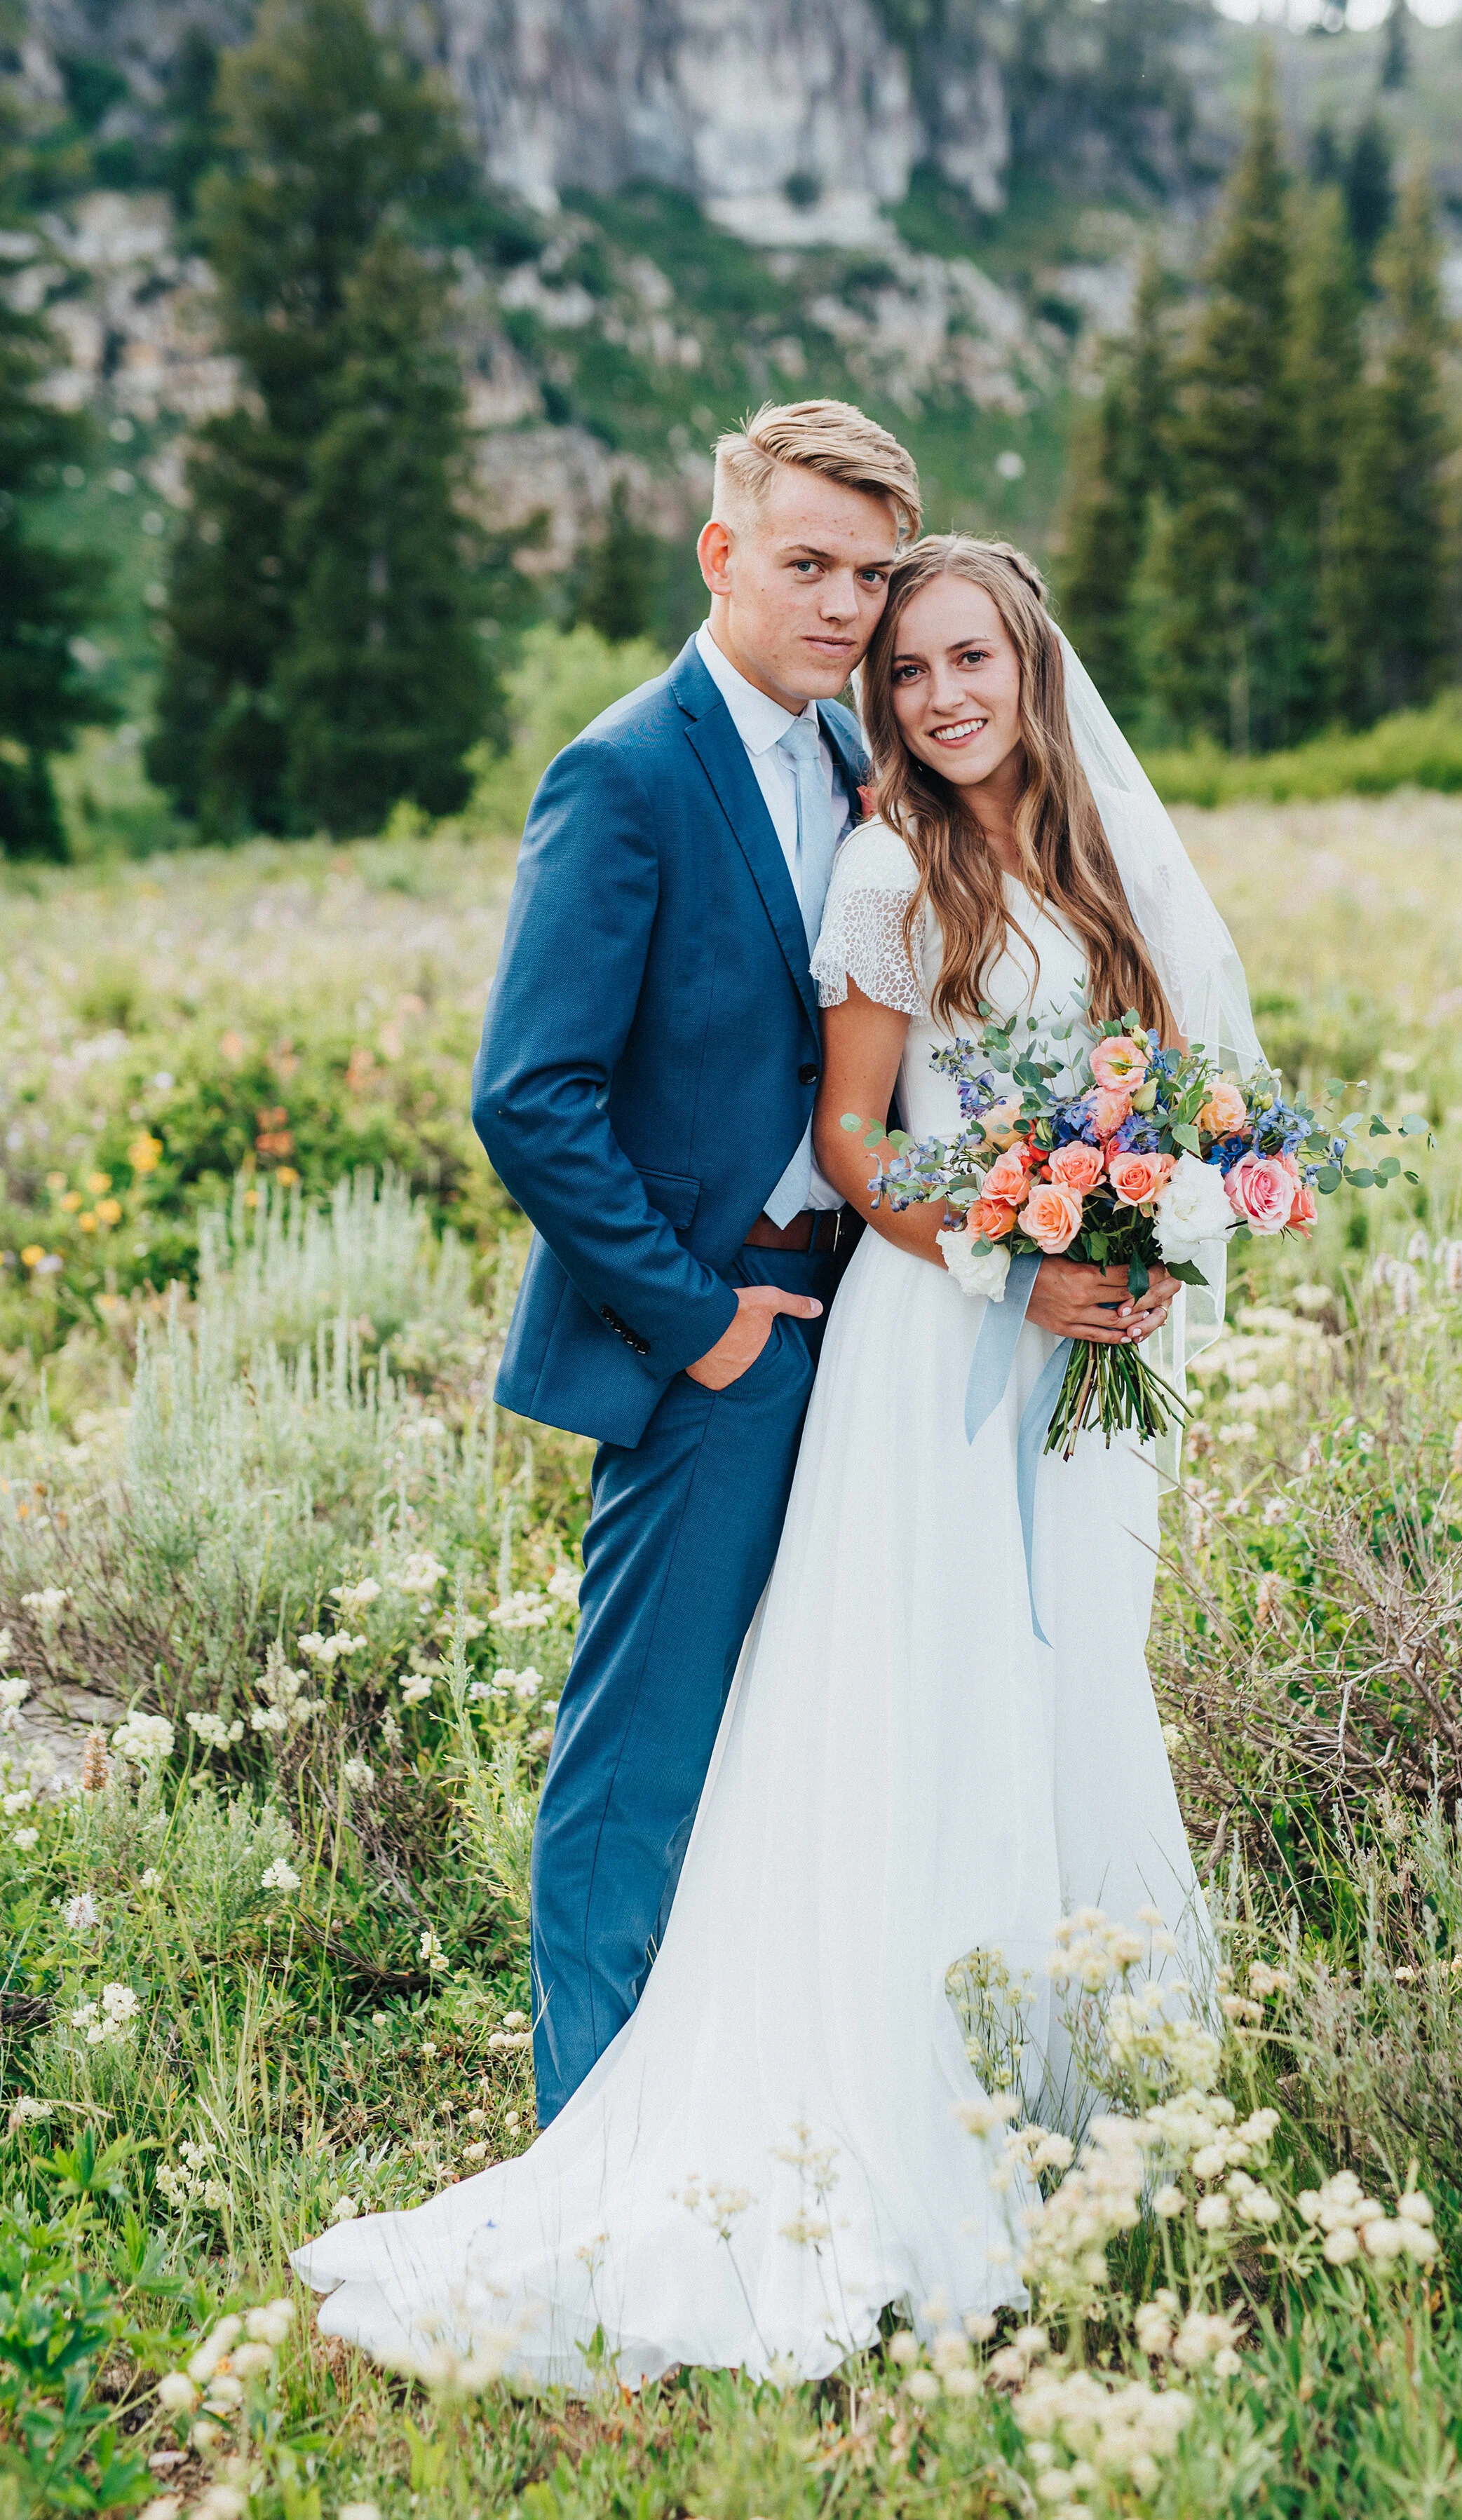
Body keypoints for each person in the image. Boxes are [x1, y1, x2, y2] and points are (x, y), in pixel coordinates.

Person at [293, 536, 1262, 2388]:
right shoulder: (895, 867)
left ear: (1030, 662)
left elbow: (1186, 1090)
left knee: (1066, 1685)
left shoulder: (1107, 861)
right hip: (942, 1346)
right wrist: (1019, 1252)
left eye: (968, 659)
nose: (940, 697)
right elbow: (852, 1134)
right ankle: (891, 2123)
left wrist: (1148, 1232)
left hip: (1079, 1349)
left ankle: (1069, 2106)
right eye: (906, 675)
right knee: (930, 1695)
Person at [466, 400, 921, 2127]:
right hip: (717, 1329)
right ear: (721, 553)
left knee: (808, 1730)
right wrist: (696, 1323)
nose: (844, 608)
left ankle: (760, 2100)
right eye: (808, 565)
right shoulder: (629, 767)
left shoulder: (846, 763)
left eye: (870, 578)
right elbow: (532, 1095)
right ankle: (588, 2141)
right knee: (638, 1760)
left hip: (859, 1312)